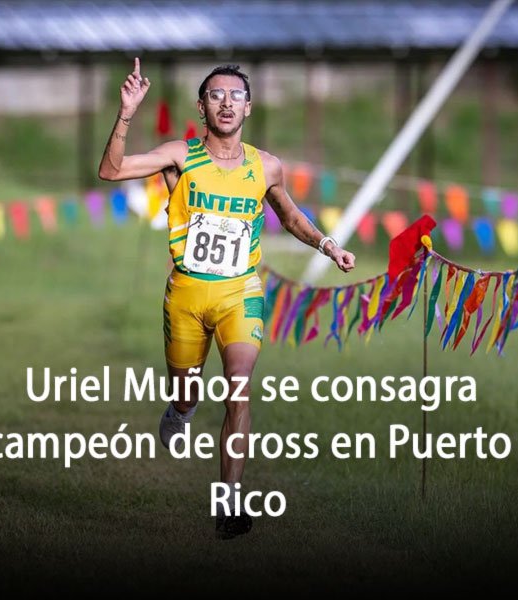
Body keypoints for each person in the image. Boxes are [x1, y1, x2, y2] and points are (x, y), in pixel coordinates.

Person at [98, 58, 356, 539]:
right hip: (187, 296)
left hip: (241, 293)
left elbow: (291, 217)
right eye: (216, 95)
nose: (226, 102)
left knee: (239, 387)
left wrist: (327, 245)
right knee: (187, 391)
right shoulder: (181, 155)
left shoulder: (267, 166)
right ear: (202, 106)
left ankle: (228, 504)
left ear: (249, 107)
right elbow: (110, 170)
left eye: (235, 95)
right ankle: (180, 411)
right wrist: (127, 112)